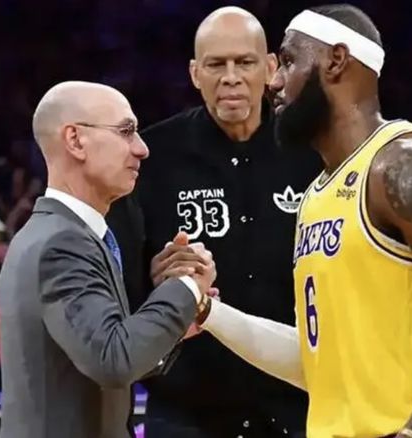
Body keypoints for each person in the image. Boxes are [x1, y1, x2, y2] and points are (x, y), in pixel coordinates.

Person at [163, 4, 412, 438]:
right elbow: (320, 365)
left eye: (289, 61)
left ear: (336, 61)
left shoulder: (405, 164)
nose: (274, 81)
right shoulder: (315, 195)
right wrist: (209, 312)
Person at [107, 6, 318, 437]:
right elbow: (117, 282)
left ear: (271, 68)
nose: (231, 77)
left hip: (298, 405)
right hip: (187, 410)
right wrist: (153, 282)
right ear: (194, 73)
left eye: (245, 62)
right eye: (216, 65)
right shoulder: (152, 157)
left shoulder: (314, 152)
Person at [0, 81, 215, 438]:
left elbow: (93, 352)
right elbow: (112, 359)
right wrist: (187, 285)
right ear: (75, 140)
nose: (142, 148)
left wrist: (171, 327)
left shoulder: (65, 235)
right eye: (126, 131)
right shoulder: (63, 243)